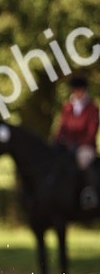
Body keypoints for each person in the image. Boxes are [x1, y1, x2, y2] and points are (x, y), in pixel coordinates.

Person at [53, 76, 99, 209]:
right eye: (74, 90)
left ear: (84, 91)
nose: (76, 93)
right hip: (68, 145)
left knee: (83, 160)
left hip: (86, 147)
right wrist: (57, 141)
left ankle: (89, 193)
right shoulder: (67, 107)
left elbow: (92, 131)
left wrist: (77, 144)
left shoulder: (92, 108)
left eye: (79, 90)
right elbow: (61, 127)